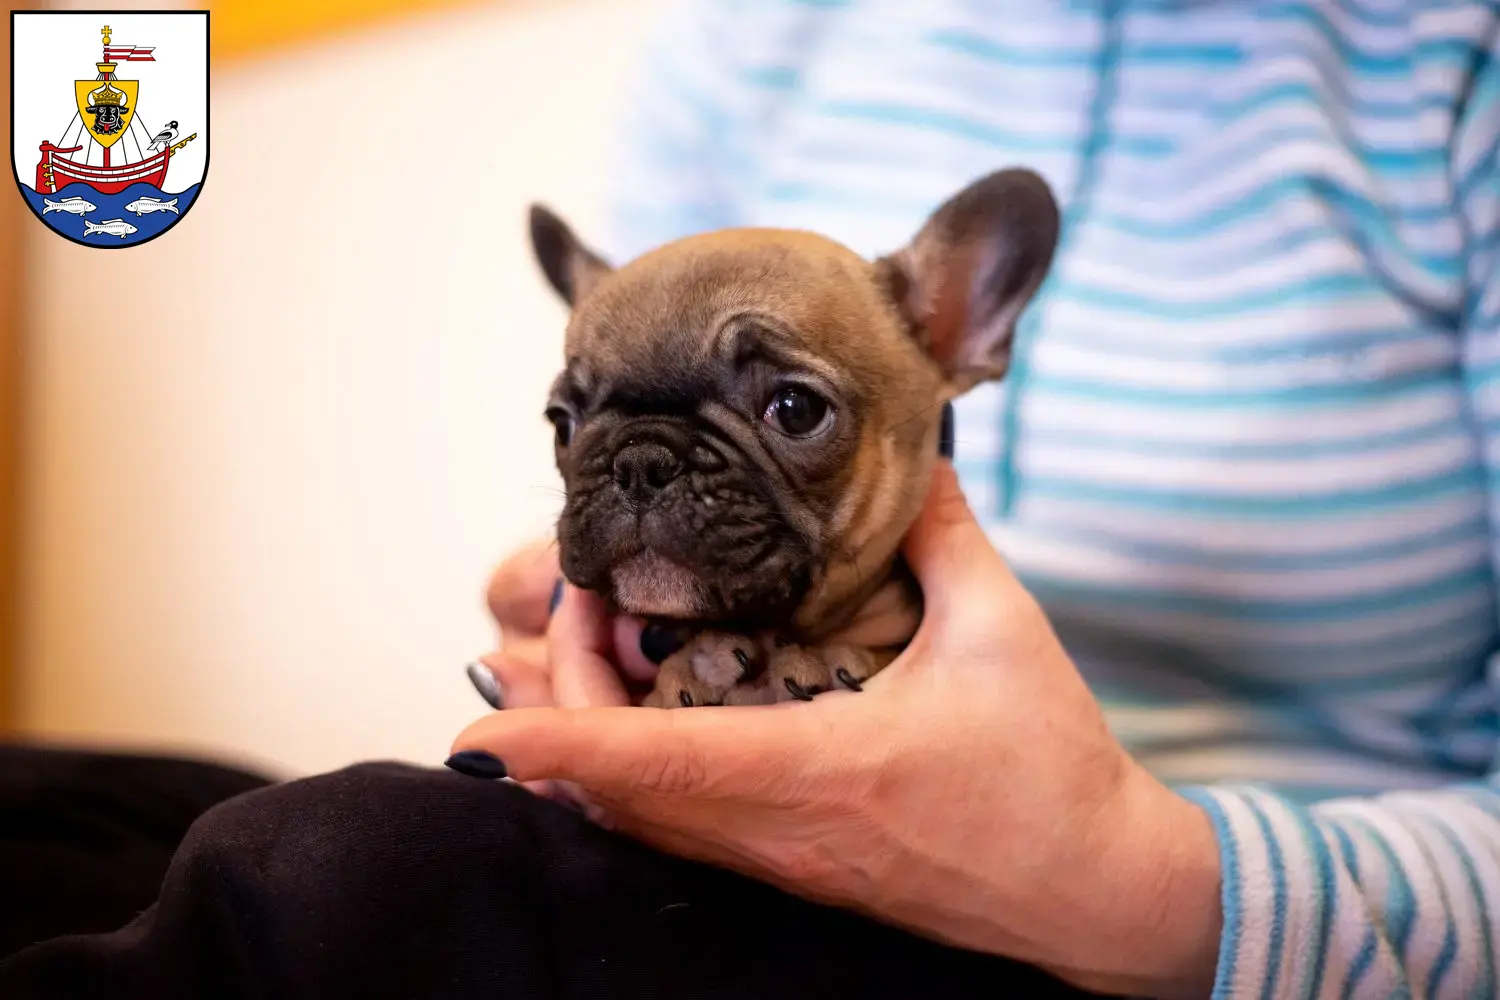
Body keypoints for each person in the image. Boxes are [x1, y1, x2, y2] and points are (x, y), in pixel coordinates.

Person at [4, 1, 1498, 996]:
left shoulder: (1451, 65)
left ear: (962, 335)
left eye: (788, 411)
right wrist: (581, 650)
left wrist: (1154, 886)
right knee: (66, 811)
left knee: (331, 872)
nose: (642, 475)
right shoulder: (764, 31)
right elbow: (655, 425)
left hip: (1211, 900)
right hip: (714, 852)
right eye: (583, 429)